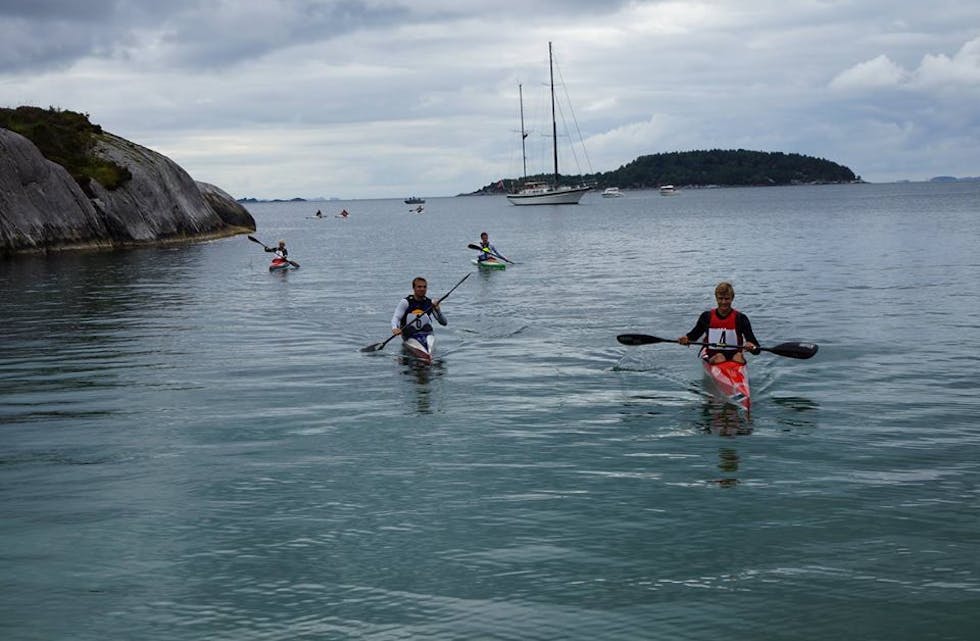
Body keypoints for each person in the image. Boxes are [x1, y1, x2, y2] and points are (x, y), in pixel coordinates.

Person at [678, 281, 759, 364]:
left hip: (734, 356)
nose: (723, 302)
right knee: (720, 357)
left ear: (732, 298)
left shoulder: (741, 318)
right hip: (712, 355)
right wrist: (686, 339)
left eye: (727, 299)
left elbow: (757, 350)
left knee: (738, 357)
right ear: (716, 298)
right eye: (720, 298)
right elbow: (693, 336)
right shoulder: (706, 317)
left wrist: (751, 346)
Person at [391, 277, 447, 345]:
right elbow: (396, 317)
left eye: (424, 287)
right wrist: (395, 328)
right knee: (410, 329)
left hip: (426, 333)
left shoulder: (430, 303)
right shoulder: (405, 302)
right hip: (409, 332)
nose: (422, 289)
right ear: (414, 288)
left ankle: (427, 348)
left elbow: (444, 323)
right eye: (419, 287)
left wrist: (438, 310)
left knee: (428, 327)